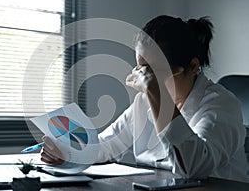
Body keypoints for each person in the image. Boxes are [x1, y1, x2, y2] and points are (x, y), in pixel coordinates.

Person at [40, 15, 249, 182]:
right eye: (140, 66)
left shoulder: (221, 105)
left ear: (192, 67)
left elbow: (193, 167)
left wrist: (156, 93)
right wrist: (68, 153)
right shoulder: (143, 102)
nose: (143, 76)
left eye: (153, 69)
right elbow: (105, 145)